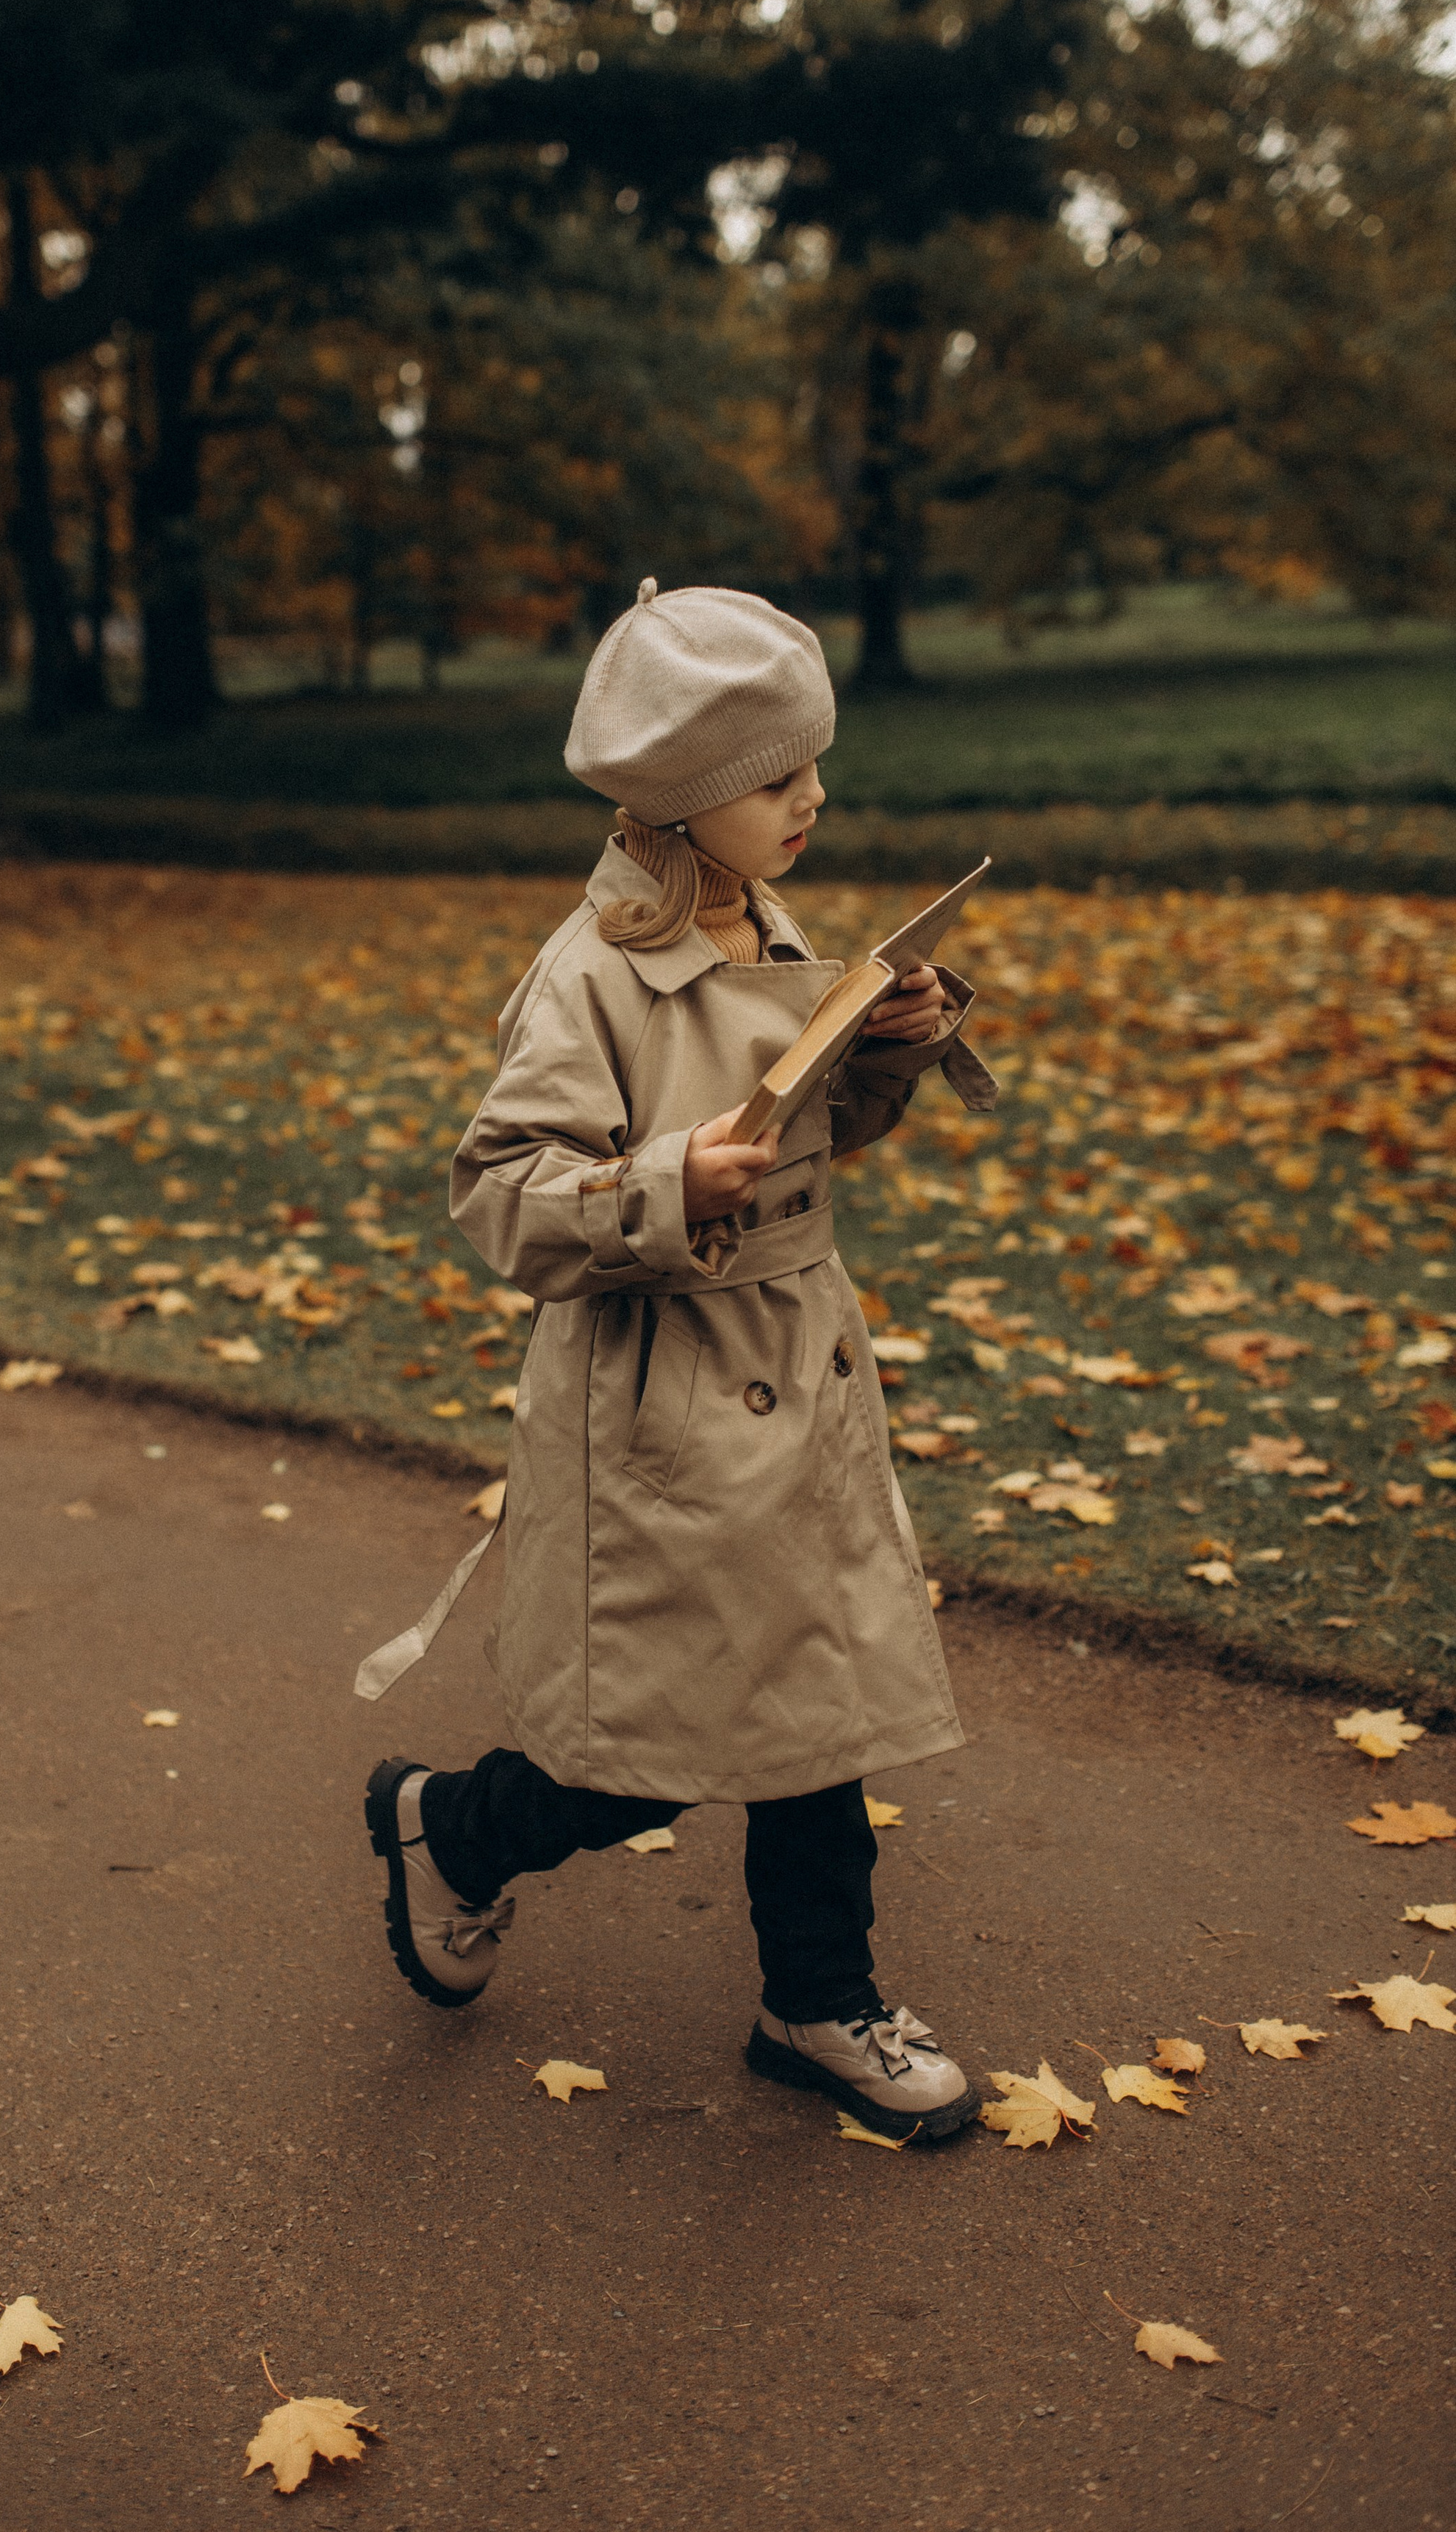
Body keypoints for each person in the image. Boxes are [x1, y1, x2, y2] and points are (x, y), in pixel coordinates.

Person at [358, 580, 997, 2139]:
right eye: (777, 778)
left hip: (797, 1368)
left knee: (814, 1707)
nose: (810, 799)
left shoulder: (762, 915)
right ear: (681, 794)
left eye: (808, 768)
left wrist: (888, 1036)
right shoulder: (586, 973)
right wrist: (659, 1188)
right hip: (662, 1400)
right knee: (649, 1743)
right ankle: (454, 1826)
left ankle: (815, 2000)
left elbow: (807, 1126)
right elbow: (501, 1197)